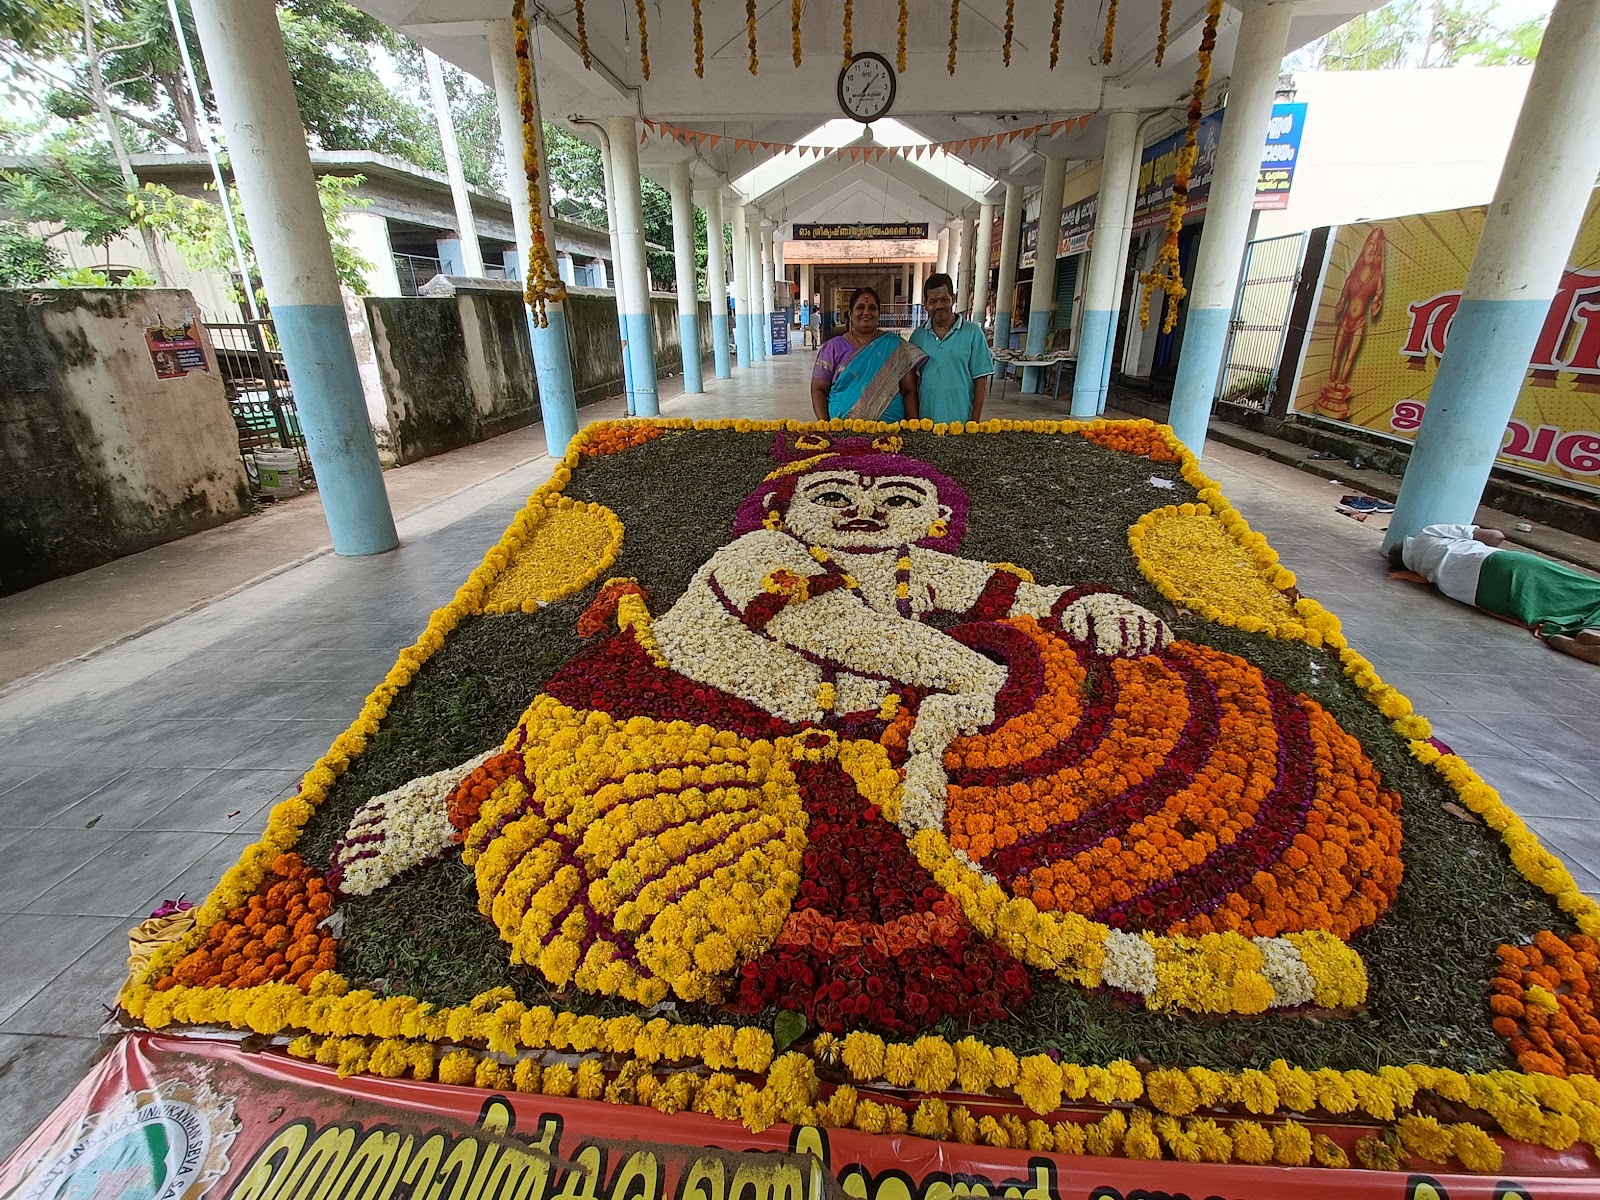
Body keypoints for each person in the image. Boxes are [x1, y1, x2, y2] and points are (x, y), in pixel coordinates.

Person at [1393, 524, 1600, 664]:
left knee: (1559, 604)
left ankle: (1581, 639)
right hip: (1501, 565)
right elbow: (1496, 536)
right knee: (1590, 592)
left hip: (1486, 597)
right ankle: (1592, 630)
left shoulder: (1429, 575)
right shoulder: (1429, 532)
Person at [810, 286, 924, 422]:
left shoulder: (896, 346)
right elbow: (818, 389)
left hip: (890, 434)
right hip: (841, 434)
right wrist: (824, 425)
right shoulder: (832, 348)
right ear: (850, 314)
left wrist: (913, 427)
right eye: (860, 308)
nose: (866, 312)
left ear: (878, 314)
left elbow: (909, 390)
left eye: (872, 308)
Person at [909, 272, 996, 424]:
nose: (939, 306)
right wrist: (915, 422)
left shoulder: (973, 333)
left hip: (961, 423)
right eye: (933, 301)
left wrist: (974, 422)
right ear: (925, 305)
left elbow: (980, 381)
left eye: (944, 299)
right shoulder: (918, 336)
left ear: (953, 299)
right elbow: (911, 384)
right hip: (926, 424)